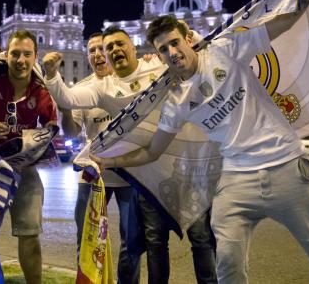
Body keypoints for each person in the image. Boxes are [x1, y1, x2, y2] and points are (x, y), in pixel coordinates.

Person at [91, 0, 309, 284]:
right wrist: (105, 161)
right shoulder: (175, 98)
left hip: (286, 166)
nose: (171, 52)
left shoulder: (227, 48)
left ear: (188, 39)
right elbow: (152, 151)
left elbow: (284, 21)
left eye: (174, 43)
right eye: (163, 50)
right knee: (227, 265)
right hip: (238, 178)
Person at [43, 26, 217, 283]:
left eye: (119, 44)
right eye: (107, 48)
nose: (113, 50)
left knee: (200, 238)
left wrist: (189, 35)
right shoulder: (102, 88)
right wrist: (51, 73)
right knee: (154, 243)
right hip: (142, 174)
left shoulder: (158, 66)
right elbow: (66, 97)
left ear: (135, 48)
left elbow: (197, 62)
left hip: (182, 167)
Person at [0, 29, 58, 284]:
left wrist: (40, 141)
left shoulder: (42, 93)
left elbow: (53, 128)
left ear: (35, 57)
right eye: (16, 54)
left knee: (30, 234)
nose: (21, 60)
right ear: (6, 55)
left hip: (25, 170)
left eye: (27, 55)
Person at [60, 32, 141, 284]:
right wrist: (64, 105)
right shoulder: (81, 90)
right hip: (93, 172)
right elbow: (72, 131)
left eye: (101, 48)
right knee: (87, 238)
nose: (97, 54)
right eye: (91, 50)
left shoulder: (130, 82)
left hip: (129, 173)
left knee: (132, 242)